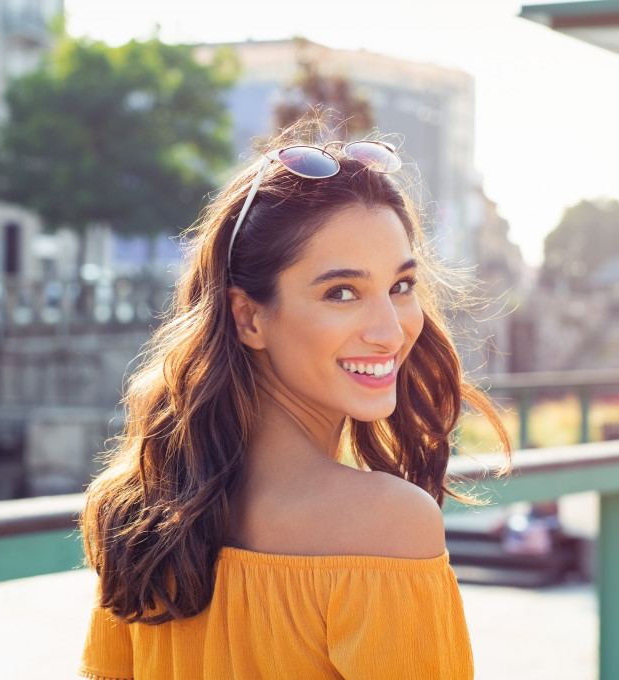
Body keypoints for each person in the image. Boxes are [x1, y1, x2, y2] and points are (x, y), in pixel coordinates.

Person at [77, 120, 510, 679]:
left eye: (400, 286)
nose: (390, 330)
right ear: (249, 317)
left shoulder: (138, 510)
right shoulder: (387, 525)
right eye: (342, 293)